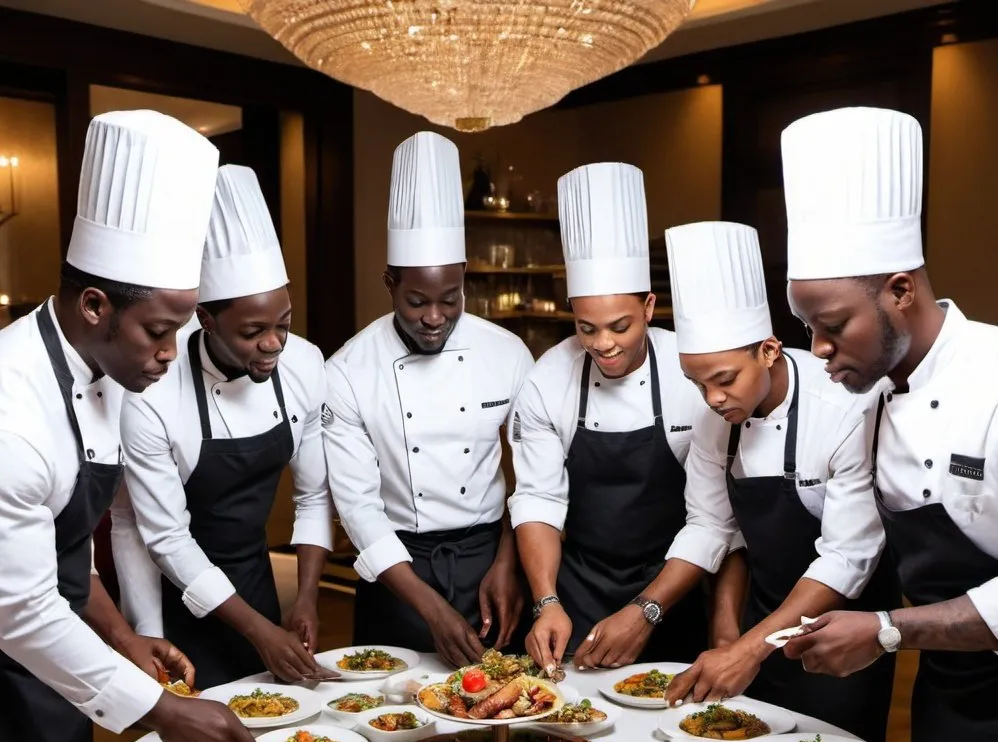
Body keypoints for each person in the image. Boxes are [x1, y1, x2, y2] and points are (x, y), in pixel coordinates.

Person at [0, 110, 258, 742]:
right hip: (8, 673)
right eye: (161, 329)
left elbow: (74, 549)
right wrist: (163, 711)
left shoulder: (109, 371)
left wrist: (128, 638)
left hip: (55, 673)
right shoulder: (14, 410)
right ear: (95, 306)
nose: (171, 353)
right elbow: (22, 612)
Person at [779, 106, 998, 742]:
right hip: (953, 708)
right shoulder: (875, 399)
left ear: (901, 291)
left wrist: (884, 631)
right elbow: (854, 545)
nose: (819, 350)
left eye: (832, 324)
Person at [662, 221, 899, 742]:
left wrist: (751, 647)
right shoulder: (711, 419)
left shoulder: (843, 408)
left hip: (839, 632)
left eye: (725, 380)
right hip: (762, 615)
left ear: (768, 350)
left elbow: (846, 556)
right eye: (697, 384)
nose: (713, 399)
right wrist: (730, 633)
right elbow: (713, 527)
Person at [112, 165, 335, 688]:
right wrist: (258, 631)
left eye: (284, 323)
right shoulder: (153, 394)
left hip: (254, 579)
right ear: (207, 321)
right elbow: (165, 536)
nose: (275, 344)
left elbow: (314, 494)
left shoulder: (304, 364)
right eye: (253, 331)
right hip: (173, 591)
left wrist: (304, 597)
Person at [323, 132, 533, 667]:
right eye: (416, 301)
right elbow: (358, 510)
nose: (434, 317)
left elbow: (532, 476)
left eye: (450, 299)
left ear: (465, 280)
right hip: (397, 571)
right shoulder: (348, 371)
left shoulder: (507, 353)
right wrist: (432, 609)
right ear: (389, 283)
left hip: (493, 557)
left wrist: (510, 563)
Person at [511, 163, 718, 674]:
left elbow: (712, 518)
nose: (602, 344)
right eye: (586, 328)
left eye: (620, 326)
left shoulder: (690, 373)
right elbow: (538, 497)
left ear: (649, 306)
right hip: (575, 588)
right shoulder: (548, 378)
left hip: (674, 589)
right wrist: (545, 602)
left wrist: (648, 609)